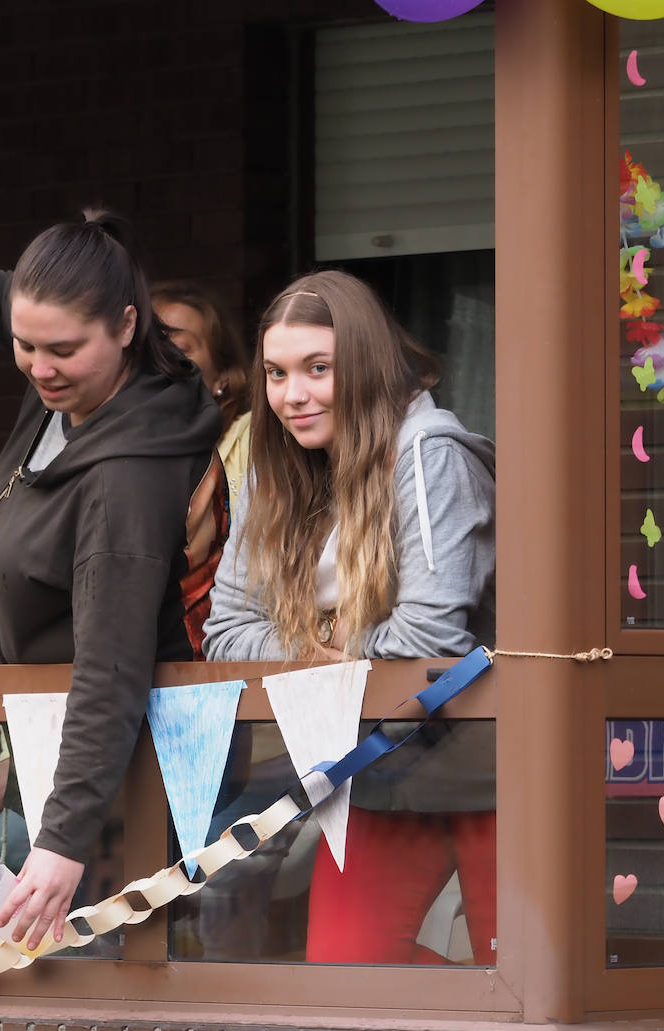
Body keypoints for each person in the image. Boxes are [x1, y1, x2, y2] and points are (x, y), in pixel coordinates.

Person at [0, 210, 223, 951]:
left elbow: (111, 666)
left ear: (128, 325)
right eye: (24, 346)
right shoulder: (72, 381)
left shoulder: (128, 478)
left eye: (63, 350)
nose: (40, 368)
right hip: (62, 758)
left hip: (124, 787)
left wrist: (62, 841)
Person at [201, 269, 496, 964]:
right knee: (347, 973)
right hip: (379, 766)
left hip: (494, 767)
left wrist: (316, 642)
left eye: (317, 368)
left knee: (513, 980)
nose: (291, 394)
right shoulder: (275, 469)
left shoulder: (431, 453)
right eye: (275, 372)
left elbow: (429, 641)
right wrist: (332, 645)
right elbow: (227, 632)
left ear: (363, 364)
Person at [151, 282, 252, 519]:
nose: (159, 361)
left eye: (178, 348)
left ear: (223, 375)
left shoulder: (253, 439)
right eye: (148, 348)